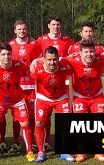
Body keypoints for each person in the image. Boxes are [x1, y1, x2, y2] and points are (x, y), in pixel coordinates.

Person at [30, 46, 74, 162]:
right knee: (39, 123)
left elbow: (71, 58)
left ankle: (64, 151)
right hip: (43, 98)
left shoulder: (65, 66)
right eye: (49, 59)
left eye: (54, 59)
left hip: (61, 97)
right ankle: (41, 152)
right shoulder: (37, 70)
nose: (52, 62)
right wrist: (35, 61)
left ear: (58, 58)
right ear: (44, 59)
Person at [3, 20, 42, 154]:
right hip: (15, 86)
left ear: (27, 30)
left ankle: (32, 143)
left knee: (30, 116)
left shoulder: (34, 43)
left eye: (24, 29)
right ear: (15, 30)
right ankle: (16, 143)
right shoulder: (10, 45)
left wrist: (36, 62)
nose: (22, 31)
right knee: (16, 117)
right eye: (19, 29)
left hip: (31, 85)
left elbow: (41, 59)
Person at [37, 16, 74, 149]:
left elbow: (72, 56)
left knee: (65, 115)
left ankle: (65, 145)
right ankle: (46, 142)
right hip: (46, 79)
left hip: (63, 79)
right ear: (48, 26)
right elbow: (37, 57)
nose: (56, 26)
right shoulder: (41, 40)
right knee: (44, 117)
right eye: (53, 24)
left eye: (58, 24)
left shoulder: (67, 39)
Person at [0, 43, 35, 161]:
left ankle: (29, 151)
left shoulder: (18, 65)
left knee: (25, 124)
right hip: (1, 101)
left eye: (8, 54)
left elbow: (31, 71)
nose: (6, 57)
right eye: (3, 54)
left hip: (17, 100)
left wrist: (38, 62)